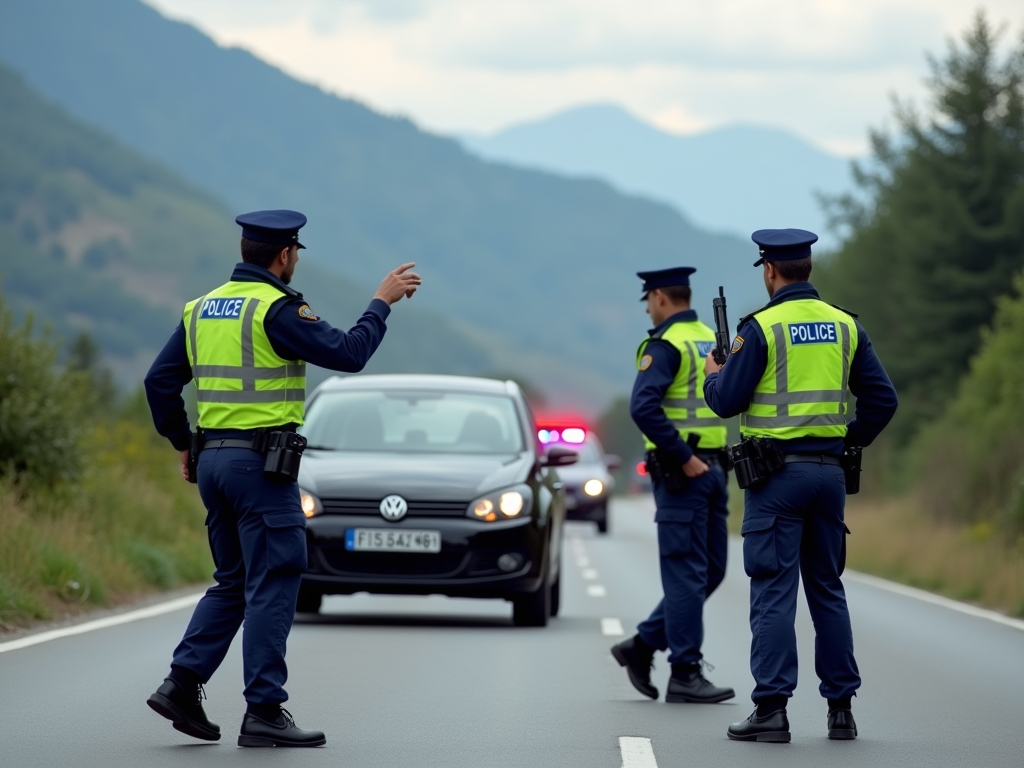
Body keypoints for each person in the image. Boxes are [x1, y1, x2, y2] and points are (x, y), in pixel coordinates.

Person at [143, 210, 421, 747]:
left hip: (214, 464)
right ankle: (265, 710)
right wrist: (380, 302)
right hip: (259, 468)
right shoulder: (276, 308)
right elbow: (348, 353)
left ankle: (181, 684)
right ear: (285, 255)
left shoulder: (201, 309)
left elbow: (160, 381)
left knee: (233, 582)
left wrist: (183, 442)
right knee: (273, 580)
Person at [703, 229, 897, 743]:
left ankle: (771, 710)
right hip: (829, 476)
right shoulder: (845, 325)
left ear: (770, 270)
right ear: (807, 267)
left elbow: (727, 402)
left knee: (773, 591)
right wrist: (845, 442)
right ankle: (840, 710)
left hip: (776, 480)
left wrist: (712, 374)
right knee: (827, 590)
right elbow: (883, 401)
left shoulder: (760, 329)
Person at [610, 267, 735, 704]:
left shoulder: (665, 344)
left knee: (706, 572)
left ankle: (644, 645)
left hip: (697, 471)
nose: (648, 308)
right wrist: (686, 458)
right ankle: (684, 672)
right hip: (696, 469)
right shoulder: (709, 339)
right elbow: (646, 409)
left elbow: (643, 406)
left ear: (661, 297)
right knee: (692, 574)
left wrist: (685, 458)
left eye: (647, 300)